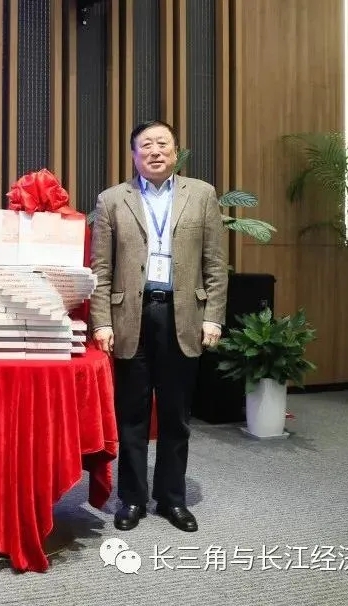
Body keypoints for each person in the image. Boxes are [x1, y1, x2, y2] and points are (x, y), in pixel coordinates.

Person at [88, 119, 228, 533]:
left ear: (175, 151)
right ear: (134, 155)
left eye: (162, 144)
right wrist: (101, 322)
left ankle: (171, 499)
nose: (155, 151)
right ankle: (131, 499)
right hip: (130, 317)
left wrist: (213, 316)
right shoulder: (112, 200)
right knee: (131, 416)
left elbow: (215, 264)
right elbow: (101, 268)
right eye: (146, 145)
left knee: (175, 416)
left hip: (182, 315)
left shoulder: (201, 195)